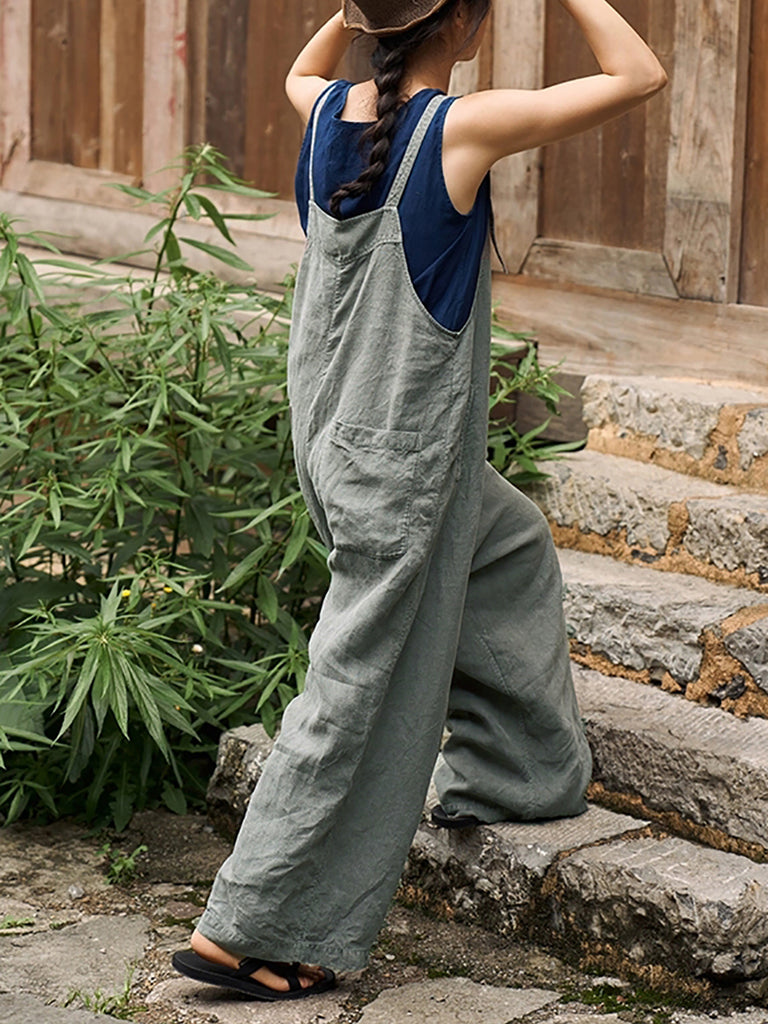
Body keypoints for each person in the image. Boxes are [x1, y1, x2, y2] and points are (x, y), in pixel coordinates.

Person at [172, 0, 667, 1002]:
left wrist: (349, 12)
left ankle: (519, 772)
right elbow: (638, 74)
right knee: (357, 683)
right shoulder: (460, 130)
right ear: (468, 25)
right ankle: (248, 924)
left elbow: (298, 71)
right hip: (397, 465)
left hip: (337, 437)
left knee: (507, 543)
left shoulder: (326, 110)